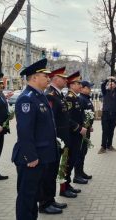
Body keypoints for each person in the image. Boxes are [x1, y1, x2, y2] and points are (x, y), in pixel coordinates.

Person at [12, 58, 59, 219]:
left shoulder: (40, 96)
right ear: (34, 78)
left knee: (34, 196)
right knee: (27, 198)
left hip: (42, 157)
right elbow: (24, 131)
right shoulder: (27, 98)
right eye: (44, 76)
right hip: (31, 158)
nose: (48, 78)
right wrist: (30, 156)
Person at [40, 66, 70, 213]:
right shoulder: (50, 95)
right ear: (56, 79)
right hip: (54, 140)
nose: (65, 81)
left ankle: (51, 200)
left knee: (53, 172)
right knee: (48, 173)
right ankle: (45, 203)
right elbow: (50, 121)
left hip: (59, 140)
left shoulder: (58, 94)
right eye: (63, 78)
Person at [64, 71, 88, 190]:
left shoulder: (76, 98)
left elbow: (80, 115)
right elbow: (67, 118)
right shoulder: (69, 98)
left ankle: (68, 185)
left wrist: (85, 126)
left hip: (77, 134)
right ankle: (65, 187)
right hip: (72, 134)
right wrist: (78, 128)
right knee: (68, 161)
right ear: (71, 85)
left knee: (73, 159)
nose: (80, 86)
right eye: (78, 83)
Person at [98, 76, 116, 154]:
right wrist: (107, 80)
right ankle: (103, 147)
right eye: (110, 84)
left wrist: (115, 85)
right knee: (105, 130)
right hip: (106, 114)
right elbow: (102, 85)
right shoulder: (105, 92)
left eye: (113, 84)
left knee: (111, 130)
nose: (111, 85)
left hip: (114, 114)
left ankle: (109, 145)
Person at [77, 80, 95, 180]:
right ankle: (77, 175)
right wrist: (84, 126)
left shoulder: (86, 98)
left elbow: (88, 115)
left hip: (86, 129)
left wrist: (90, 125)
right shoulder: (81, 99)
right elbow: (80, 116)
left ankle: (81, 172)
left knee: (83, 152)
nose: (90, 89)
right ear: (82, 88)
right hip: (82, 130)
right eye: (88, 87)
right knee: (80, 152)